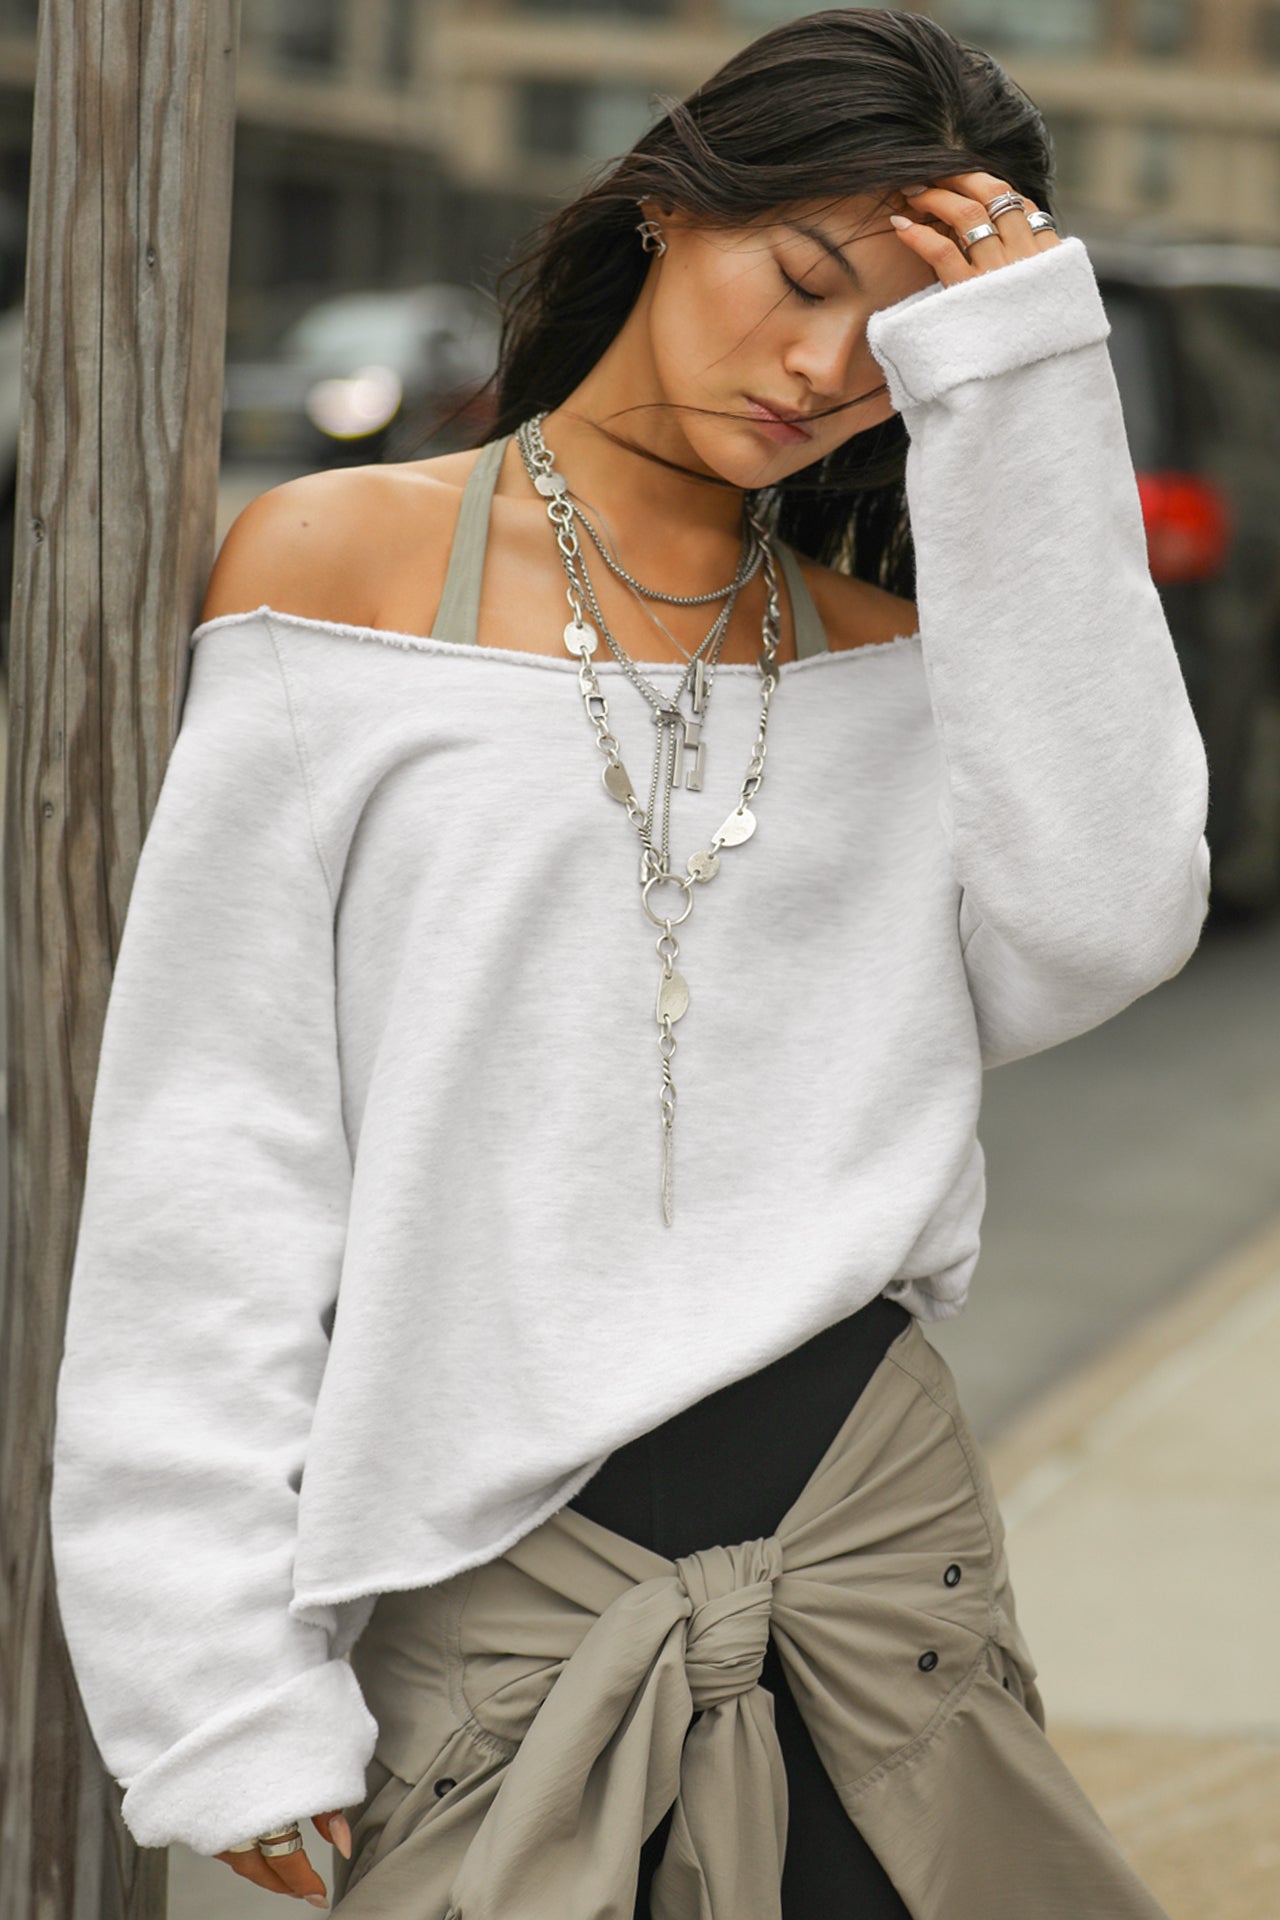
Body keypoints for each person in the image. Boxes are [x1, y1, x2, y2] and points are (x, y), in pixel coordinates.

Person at [49, 8, 1209, 1916]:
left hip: (875, 1570)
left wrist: (1019, 381)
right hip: (501, 1608)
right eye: (803, 276)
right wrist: (213, 1684)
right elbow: (219, 1154)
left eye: (890, 335)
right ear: (670, 208)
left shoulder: (893, 661)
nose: (827, 370)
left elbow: (1108, 924)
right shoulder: (337, 573)